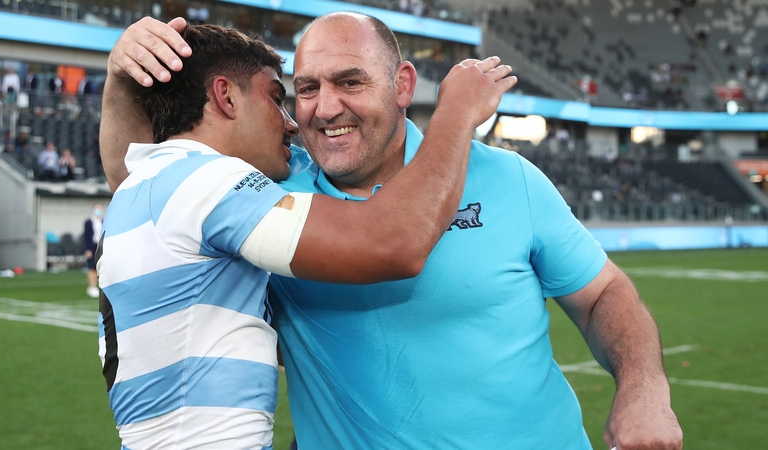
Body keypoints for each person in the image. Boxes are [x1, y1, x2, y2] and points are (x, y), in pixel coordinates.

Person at [101, 15, 682, 450]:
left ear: (403, 85)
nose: (324, 108)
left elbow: (603, 292)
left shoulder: (509, 177)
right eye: (304, 89)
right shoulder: (274, 187)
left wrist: (645, 387)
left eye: (350, 81)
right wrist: (123, 74)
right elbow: (144, 177)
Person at [98, 23, 513, 449]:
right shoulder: (204, 179)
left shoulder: (150, 181)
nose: (291, 123)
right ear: (226, 97)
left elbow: (121, 168)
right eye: (278, 100)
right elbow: (394, 242)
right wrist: (457, 114)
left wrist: (119, 80)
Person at [83, 204, 103, 298]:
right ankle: (92, 287)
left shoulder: (103, 221)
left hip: (101, 246)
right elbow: (86, 237)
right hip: (92, 246)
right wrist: (87, 249)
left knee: (100, 268)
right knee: (92, 268)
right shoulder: (88, 222)